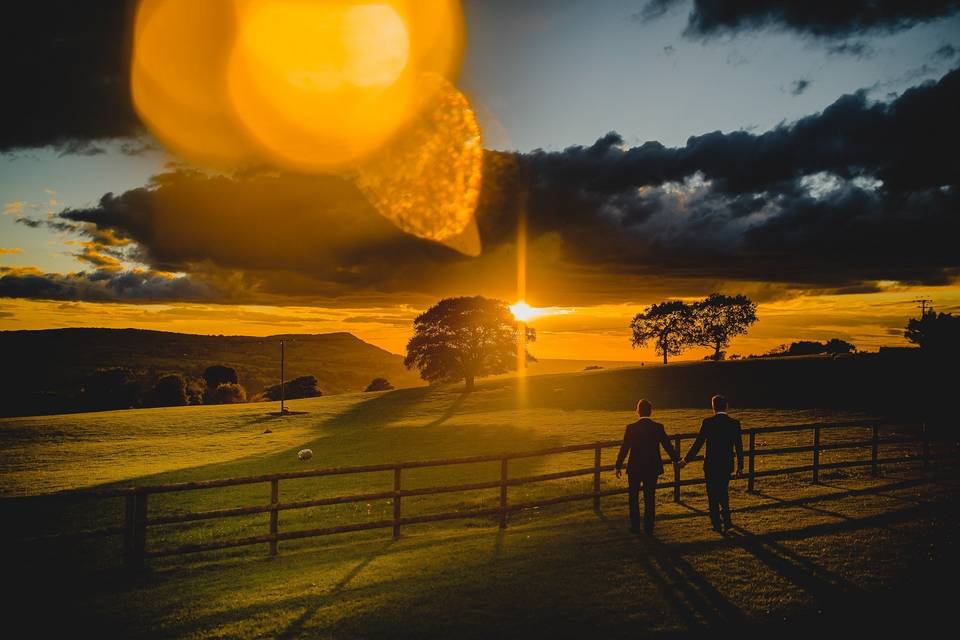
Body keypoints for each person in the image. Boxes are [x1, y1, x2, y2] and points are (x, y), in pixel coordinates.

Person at [615, 399, 680, 535]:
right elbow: (667, 445)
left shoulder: (631, 428)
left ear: (637, 411)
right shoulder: (658, 427)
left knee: (633, 497)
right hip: (652, 467)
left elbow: (625, 448)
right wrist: (677, 460)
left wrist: (618, 465)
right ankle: (649, 528)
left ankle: (635, 527)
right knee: (650, 497)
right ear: (650, 411)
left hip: (635, 467)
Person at [680, 394, 744, 533]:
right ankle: (727, 522)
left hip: (711, 464)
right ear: (725, 406)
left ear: (713, 407)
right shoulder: (734, 423)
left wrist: (685, 460)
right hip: (726, 464)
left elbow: (698, 444)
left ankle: (716, 524)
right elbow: (739, 446)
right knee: (723, 492)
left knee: (712, 494)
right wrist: (740, 466)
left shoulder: (708, 422)